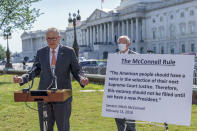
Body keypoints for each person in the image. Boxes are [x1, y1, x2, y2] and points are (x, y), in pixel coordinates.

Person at [13, 27, 89, 131]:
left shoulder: (69, 52)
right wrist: (22, 79)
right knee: (45, 128)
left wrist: (82, 79)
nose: (51, 41)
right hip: (43, 97)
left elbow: (77, 70)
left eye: (54, 38)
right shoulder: (41, 52)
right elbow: (35, 70)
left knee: (63, 127)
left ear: (59, 38)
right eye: (48, 38)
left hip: (63, 97)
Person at [115, 36, 138, 131]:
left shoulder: (136, 57)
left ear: (128, 44)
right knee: (119, 121)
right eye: (119, 43)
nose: (120, 45)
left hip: (131, 94)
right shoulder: (114, 57)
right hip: (117, 94)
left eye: (122, 43)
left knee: (130, 124)